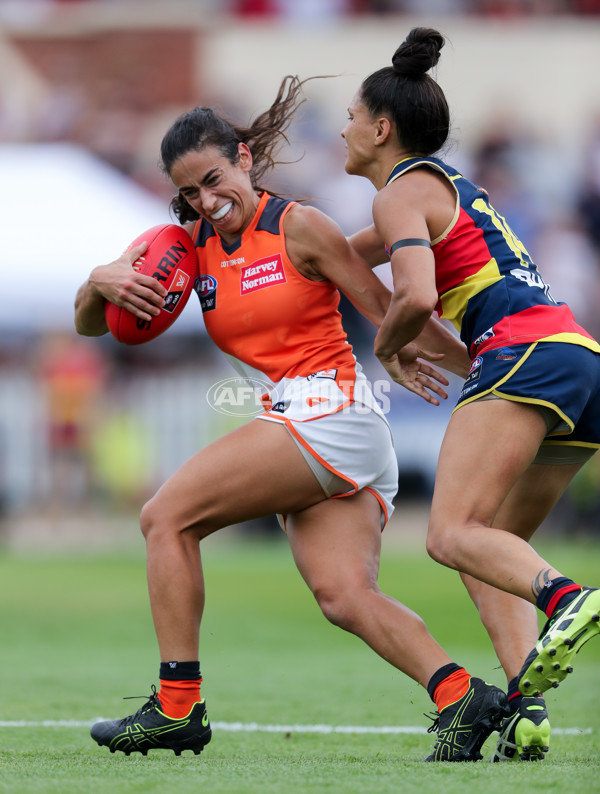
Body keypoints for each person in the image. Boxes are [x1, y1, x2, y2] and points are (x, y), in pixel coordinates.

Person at [75, 75, 509, 762]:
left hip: (329, 413)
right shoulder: (187, 247)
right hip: (313, 427)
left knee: (166, 516)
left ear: (245, 158)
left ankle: (177, 706)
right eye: (190, 192)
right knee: (344, 597)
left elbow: (384, 305)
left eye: (215, 179)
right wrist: (98, 280)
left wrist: (490, 368)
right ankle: (463, 697)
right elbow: (96, 326)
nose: (207, 201)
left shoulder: (300, 225)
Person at [343, 27, 600, 763]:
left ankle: (566, 599)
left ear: (381, 128)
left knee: (447, 533)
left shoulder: (400, 193)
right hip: (578, 359)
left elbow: (415, 297)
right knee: (488, 547)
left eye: (352, 116)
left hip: (525, 354)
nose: (343, 129)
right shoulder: (447, 188)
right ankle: (526, 707)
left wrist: (388, 349)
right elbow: (346, 253)